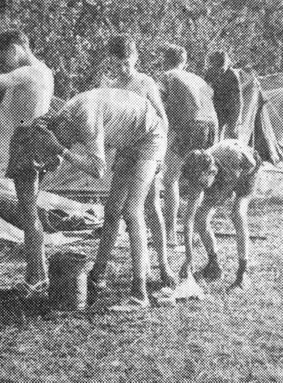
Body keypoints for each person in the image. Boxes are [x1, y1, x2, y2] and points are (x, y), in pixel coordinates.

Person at [39, 88, 173, 310]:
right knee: (111, 212)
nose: (72, 143)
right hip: (130, 141)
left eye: (67, 140)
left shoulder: (83, 118)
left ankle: (140, 294)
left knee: (132, 211)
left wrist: (61, 150)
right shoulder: (66, 117)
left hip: (151, 137)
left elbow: (97, 169)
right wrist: (57, 151)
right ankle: (96, 278)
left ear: (64, 127)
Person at [0, 30, 54, 295]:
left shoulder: (28, 73)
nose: (4, 63)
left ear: (17, 48)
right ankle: (38, 274)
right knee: (30, 211)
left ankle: (35, 279)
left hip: (27, 142)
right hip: (38, 142)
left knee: (28, 213)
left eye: (3, 55)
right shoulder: (45, 71)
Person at [100, 35, 174, 285]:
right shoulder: (112, 85)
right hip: (126, 152)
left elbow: (163, 119)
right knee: (112, 210)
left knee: (150, 208)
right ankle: (98, 272)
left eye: (125, 62)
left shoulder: (145, 82)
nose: (121, 68)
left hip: (149, 150)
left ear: (135, 58)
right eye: (116, 64)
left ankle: (163, 266)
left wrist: (160, 157)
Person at [157, 44, 219, 247]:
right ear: (184, 62)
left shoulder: (167, 76)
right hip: (211, 126)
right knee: (198, 179)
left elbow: (158, 105)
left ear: (165, 61)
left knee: (170, 179)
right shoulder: (197, 78)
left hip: (190, 126)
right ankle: (189, 231)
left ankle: (170, 234)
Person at [178, 139, 261, 289]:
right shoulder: (199, 172)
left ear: (211, 172)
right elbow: (189, 220)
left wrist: (233, 185)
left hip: (247, 170)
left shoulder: (232, 157)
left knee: (238, 214)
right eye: (198, 184)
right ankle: (213, 265)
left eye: (202, 184)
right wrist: (189, 258)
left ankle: (243, 272)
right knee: (201, 218)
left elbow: (252, 165)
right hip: (224, 177)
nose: (200, 188)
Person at [203, 51, 242, 139]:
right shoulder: (209, 73)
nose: (219, 73)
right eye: (216, 69)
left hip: (230, 108)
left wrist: (234, 120)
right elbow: (205, 91)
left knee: (231, 137)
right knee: (214, 136)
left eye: (222, 70)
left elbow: (237, 100)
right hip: (215, 108)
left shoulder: (232, 75)